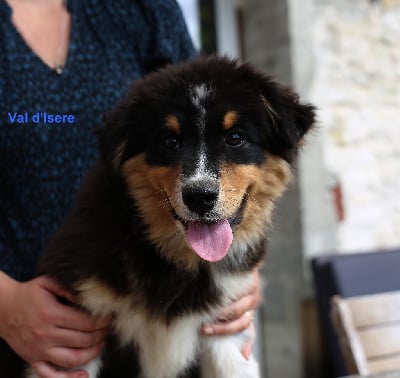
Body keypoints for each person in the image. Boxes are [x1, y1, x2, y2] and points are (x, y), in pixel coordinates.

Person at [0, 0, 260, 377]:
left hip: (169, 311)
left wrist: (238, 265)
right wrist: (6, 305)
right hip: (27, 345)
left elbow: (209, 124)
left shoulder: (140, 7)